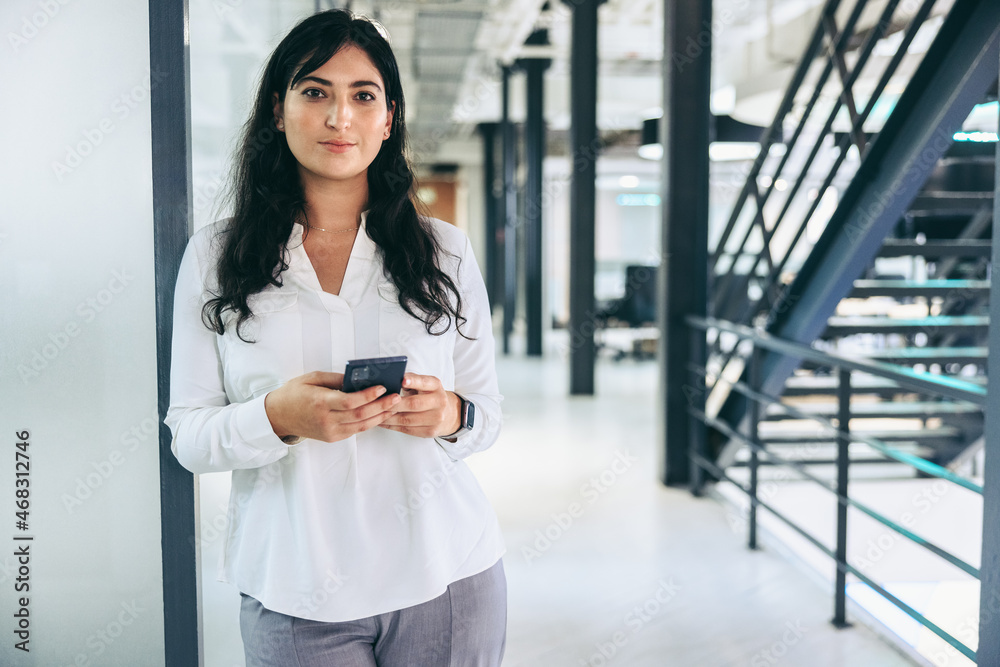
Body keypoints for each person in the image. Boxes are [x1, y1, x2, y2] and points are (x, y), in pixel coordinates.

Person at [165, 9, 507, 666]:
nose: (339, 116)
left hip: (448, 578)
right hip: (297, 595)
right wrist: (277, 417)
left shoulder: (446, 252)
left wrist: (446, 413)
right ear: (277, 108)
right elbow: (190, 435)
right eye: (315, 91)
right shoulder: (216, 257)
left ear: (388, 118)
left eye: (363, 96)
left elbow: (486, 416)